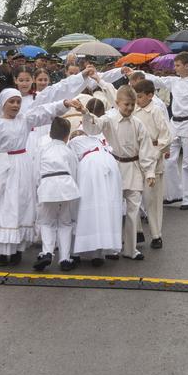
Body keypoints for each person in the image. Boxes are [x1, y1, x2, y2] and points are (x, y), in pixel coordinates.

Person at [0, 89, 79, 266]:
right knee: (2, 206)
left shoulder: (25, 119)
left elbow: (45, 111)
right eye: (11, 102)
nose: (15, 105)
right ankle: (2, 251)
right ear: (3, 104)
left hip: (22, 166)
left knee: (21, 205)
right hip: (1, 167)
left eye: (18, 102)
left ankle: (17, 250)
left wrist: (64, 104)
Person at [82, 85, 157, 260]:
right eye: (126, 105)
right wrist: (86, 113)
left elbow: (146, 149)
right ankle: (113, 247)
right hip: (114, 167)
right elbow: (94, 127)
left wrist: (150, 172)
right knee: (114, 209)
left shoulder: (138, 124)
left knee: (133, 210)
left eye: (132, 105)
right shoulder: (109, 119)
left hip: (133, 168)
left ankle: (130, 249)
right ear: (117, 103)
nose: (130, 108)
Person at [70, 100, 123, 266]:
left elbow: (71, 161)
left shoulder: (82, 132)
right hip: (109, 165)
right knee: (103, 207)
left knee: (88, 206)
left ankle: (83, 250)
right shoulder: (101, 131)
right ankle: (99, 252)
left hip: (91, 166)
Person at [154, 53, 188, 210]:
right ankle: (174, 194)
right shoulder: (174, 81)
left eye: (177, 65)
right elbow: (157, 80)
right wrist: (135, 73)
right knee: (168, 160)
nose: (174, 68)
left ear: (187, 66)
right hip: (174, 123)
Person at [32, 117, 80, 272]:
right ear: (67, 136)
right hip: (66, 187)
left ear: (50, 133)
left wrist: (39, 188)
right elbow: (74, 171)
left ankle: (47, 252)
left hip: (47, 187)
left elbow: (36, 172)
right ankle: (65, 258)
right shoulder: (69, 151)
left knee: (46, 222)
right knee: (65, 223)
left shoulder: (42, 149)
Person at [133, 79, 173, 249]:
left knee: (152, 198)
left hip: (153, 156)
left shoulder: (155, 111)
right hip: (135, 158)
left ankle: (156, 234)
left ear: (150, 96)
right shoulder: (132, 110)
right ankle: (137, 231)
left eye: (140, 97)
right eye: (136, 96)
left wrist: (158, 153)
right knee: (133, 196)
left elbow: (166, 135)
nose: (137, 100)